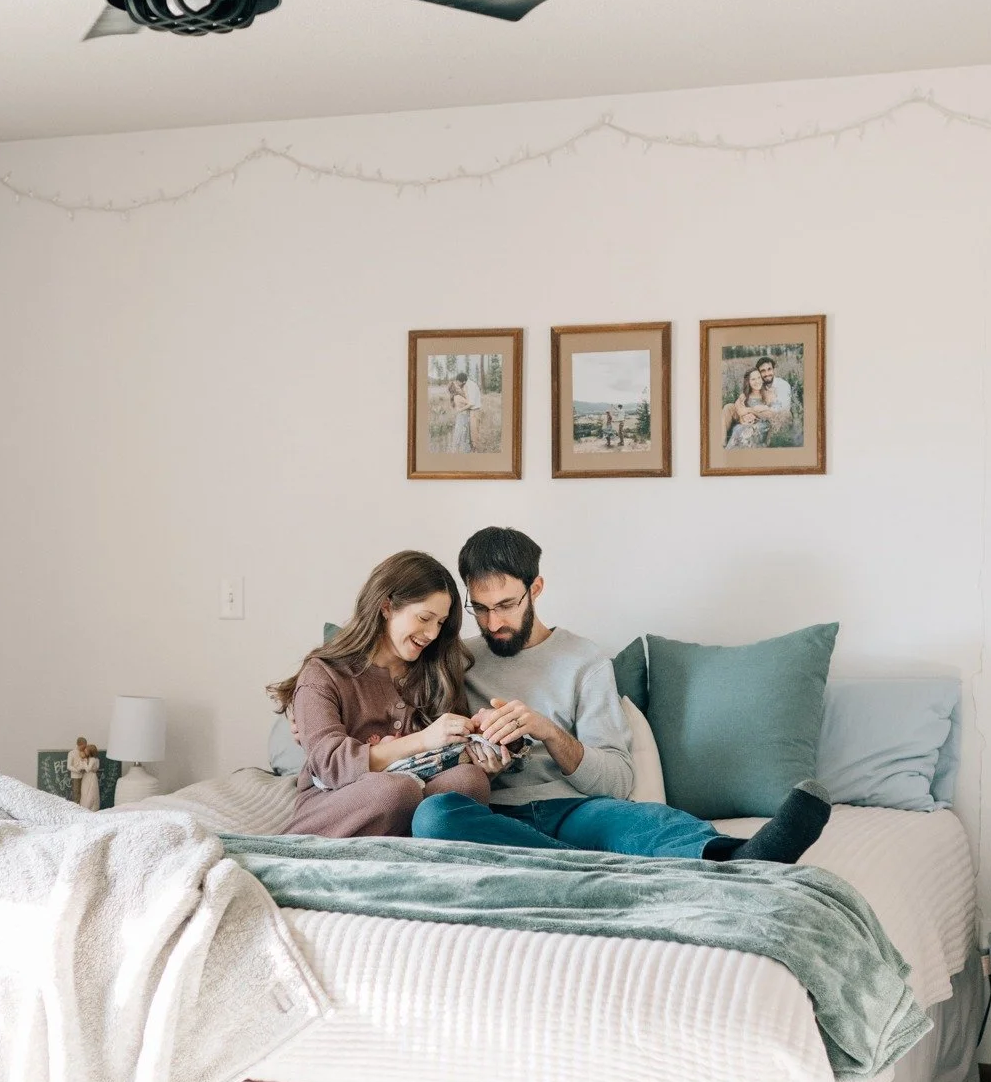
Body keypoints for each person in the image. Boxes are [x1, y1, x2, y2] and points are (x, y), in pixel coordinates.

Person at [410, 526, 832, 863]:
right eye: (479, 609)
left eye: (506, 604)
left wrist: (547, 730)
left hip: (575, 811)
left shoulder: (584, 660)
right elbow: (437, 757)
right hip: (494, 817)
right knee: (434, 816)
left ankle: (742, 856)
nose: (493, 621)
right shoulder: (457, 660)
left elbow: (616, 779)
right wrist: (479, 761)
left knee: (643, 822)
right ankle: (589, 865)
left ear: (535, 589)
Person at [269, 550, 493, 838]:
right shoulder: (322, 673)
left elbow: (448, 761)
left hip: (416, 794)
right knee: (394, 791)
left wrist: (482, 746)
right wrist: (424, 739)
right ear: (386, 606)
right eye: (424, 617)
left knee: (469, 781)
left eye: (439, 623)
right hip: (338, 799)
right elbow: (331, 766)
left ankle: (408, 846)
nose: (432, 634)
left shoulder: (434, 672)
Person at [723, 365, 775, 449]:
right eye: (753, 379)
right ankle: (723, 446)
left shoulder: (768, 394)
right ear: (748, 382)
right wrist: (744, 418)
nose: (757, 381)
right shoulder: (744, 396)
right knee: (738, 427)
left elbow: (770, 414)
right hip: (746, 422)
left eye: (759, 378)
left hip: (761, 423)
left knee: (742, 429)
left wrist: (751, 411)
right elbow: (739, 410)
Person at [448, 379, 473, 454]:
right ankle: (465, 451)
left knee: (461, 433)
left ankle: (463, 450)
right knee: (464, 434)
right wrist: (461, 409)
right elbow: (470, 404)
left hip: (461, 417)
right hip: (463, 416)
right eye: (456, 385)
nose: (458, 385)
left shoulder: (455, 396)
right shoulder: (458, 396)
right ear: (454, 388)